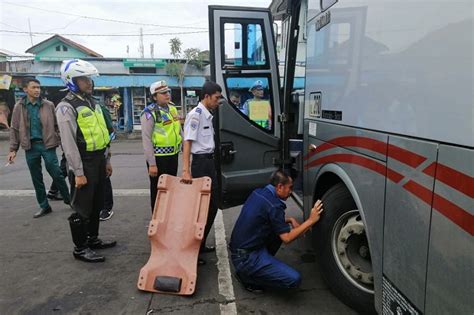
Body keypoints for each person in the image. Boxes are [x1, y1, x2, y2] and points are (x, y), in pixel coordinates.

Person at [56, 59, 116, 263]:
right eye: (83, 79)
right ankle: (80, 249)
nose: (89, 83)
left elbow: (103, 134)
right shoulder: (66, 107)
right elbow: (68, 143)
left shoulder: (92, 102)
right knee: (81, 207)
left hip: (98, 160)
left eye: (89, 79)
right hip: (83, 162)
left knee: (97, 203)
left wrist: (107, 160)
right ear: (71, 81)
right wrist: (78, 172)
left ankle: (93, 239)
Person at [229, 170, 324, 292]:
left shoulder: (258, 192)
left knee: (278, 229)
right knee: (294, 279)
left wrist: (290, 220)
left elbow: (266, 218)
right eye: (290, 188)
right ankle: (248, 277)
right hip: (246, 258)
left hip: (238, 251)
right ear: (280, 186)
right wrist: (311, 220)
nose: (291, 192)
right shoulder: (274, 205)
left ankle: (260, 265)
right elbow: (287, 238)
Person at [7, 78, 71, 218]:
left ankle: (69, 200)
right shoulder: (19, 106)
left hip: (47, 144)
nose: (37, 90)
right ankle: (44, 206)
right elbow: (15, 129)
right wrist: (13, 149)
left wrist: (64, 143)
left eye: (38, 87)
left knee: (56, 173)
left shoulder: (48, 105)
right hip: (30, 147)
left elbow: (57, 125)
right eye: (34, 87)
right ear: (25, 89)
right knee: (36, 178)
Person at [181, 80, 222, 263]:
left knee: (210, 207)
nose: (218, 101)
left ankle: (200, 243)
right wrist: (186, 170)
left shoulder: (208, 114)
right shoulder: (196, 115)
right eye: (216, 98)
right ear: (206, 96)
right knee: (199, 209)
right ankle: (193, 249)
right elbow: (187, 142)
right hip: (200, 165)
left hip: (209, 164)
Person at [140, 80, 182, 213]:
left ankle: (168, 214)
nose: (167, 95)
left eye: (168, 92)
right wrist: (152, 164)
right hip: (159, 158)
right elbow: (146, 139)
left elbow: (179, 130)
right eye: (163, 93)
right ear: (154, 96)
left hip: (173, 156)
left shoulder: (173, 108)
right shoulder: (149, 113)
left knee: (171, 187)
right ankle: (157, 216)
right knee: (158, 190)